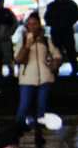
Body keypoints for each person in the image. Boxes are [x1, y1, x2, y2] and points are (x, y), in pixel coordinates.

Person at [13, 11, 59, 141]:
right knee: (24, 106)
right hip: (27, 79)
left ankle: (38, 133)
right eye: (30, 24)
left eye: (35, 24)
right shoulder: (22, 40)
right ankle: (16, 132)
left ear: (39, 25)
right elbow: (18, 59)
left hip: (44, 78)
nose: (32, 27)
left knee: (41, 108)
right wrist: (27, 45)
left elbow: (56, 55)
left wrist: (53, 66)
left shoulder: (46, 40)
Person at [44, 0, 78, 77]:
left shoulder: (55, 5)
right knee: (61, 51)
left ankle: (68, 68)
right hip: (61, 30)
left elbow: (47, 18)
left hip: (63, 30)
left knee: (67, 51)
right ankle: (62, 68)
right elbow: (47, 18)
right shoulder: (66, 4)